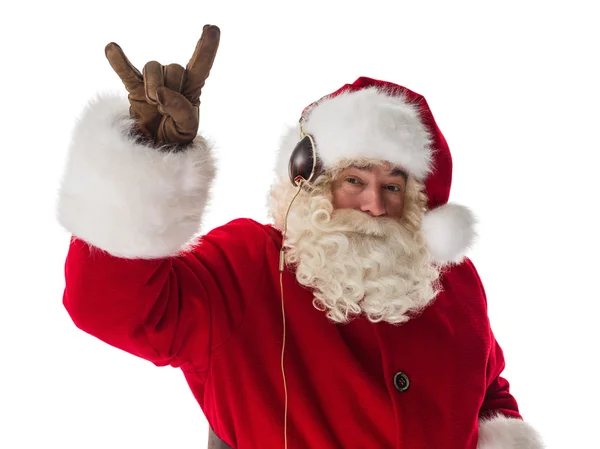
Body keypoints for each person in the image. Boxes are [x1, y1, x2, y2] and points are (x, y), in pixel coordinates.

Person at [56, 25, 544, 449]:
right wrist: (147, 161)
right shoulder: (247, 265)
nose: (374, 203)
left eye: (393, 186)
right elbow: (111, 306)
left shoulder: (451, 284)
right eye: (354, 179)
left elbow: (487, 390)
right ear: (308, 175)